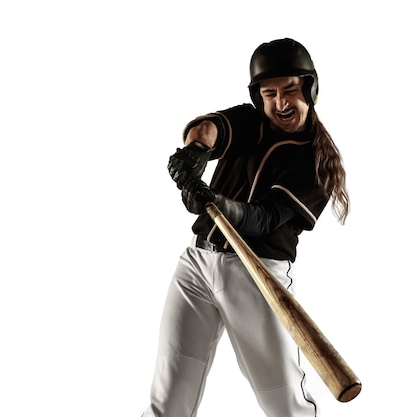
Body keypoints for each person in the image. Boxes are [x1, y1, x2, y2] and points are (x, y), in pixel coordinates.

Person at [141, 38, 350, 417]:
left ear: (310, 88)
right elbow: (209, 129)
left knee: (282, 403)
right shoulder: (250, 120)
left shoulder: (316, 160)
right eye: (270, 94)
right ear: (258, 97)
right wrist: (194, 155)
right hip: (197, 263)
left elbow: (264, 218)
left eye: (290, 90)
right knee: (168, 399)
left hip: (257, 275)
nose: (281, 103)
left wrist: (216, 203)